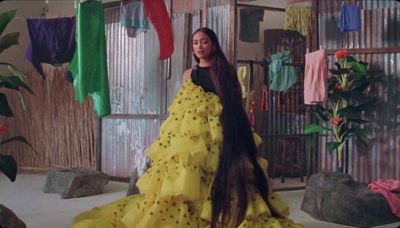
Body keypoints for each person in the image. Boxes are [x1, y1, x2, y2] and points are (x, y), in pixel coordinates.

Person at [72, 27, 302, 228]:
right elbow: (182, 106)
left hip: (223, 133)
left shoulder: (225, 71)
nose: (199, 46)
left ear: (213, 44)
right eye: (195, 42)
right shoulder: (188, 74)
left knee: (224, 175)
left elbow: (234, 104)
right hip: (191, 137)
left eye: (204, 41)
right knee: (186, 177)